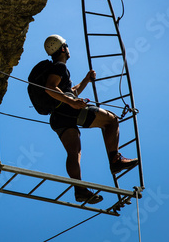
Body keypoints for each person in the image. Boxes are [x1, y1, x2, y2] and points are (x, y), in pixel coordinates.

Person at [43, 34, 138, 204]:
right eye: (67, 45)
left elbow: (70, 91)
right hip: (69, 110)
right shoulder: (59, 67)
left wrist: (86, 80)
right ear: (63, 48)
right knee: (111, 121)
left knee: (74, 152)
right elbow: (50, 88)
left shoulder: (56, 68)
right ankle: (115, 160)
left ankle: (79, 189)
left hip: (58, 117)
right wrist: (72, 102)